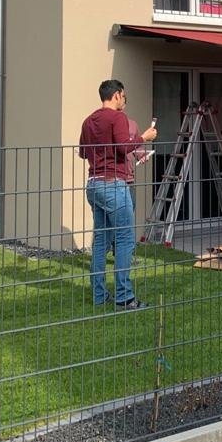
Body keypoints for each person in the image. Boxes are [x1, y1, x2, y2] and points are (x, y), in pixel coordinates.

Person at [78, 79, 157, 310]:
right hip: (114, 184)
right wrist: (144, 138)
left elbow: (84, 152)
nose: (124, 101)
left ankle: (99, 295)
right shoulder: (117, 118)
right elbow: (124, 147)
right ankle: (124, 298)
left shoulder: (88, 121)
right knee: (124, 240)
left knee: (101, 241)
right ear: (117, 95)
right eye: (124, 97)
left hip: (93, 184)